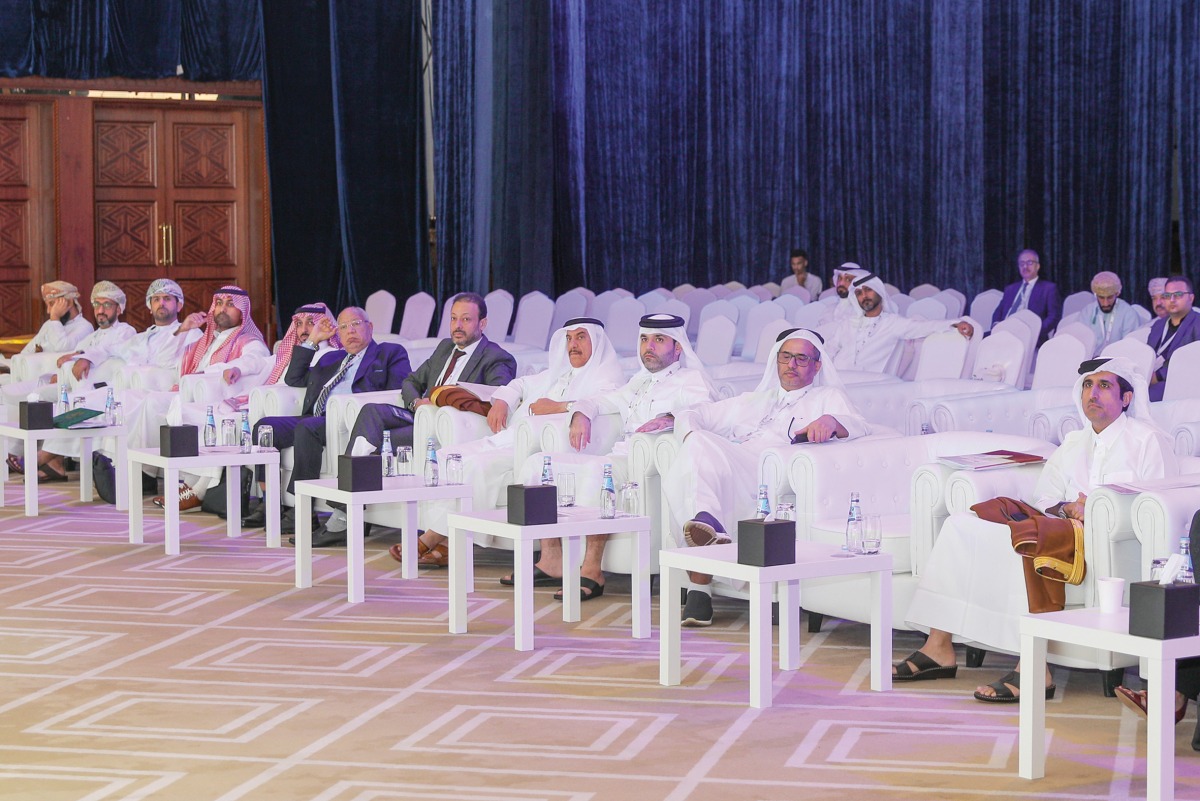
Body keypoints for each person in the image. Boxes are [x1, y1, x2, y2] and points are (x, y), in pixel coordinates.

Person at [898, 356, 1176, 701]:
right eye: (1088, 385)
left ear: (1127, 398)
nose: (1093, 393)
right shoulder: (1075, 441)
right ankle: (938, 644)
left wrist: (1095, 507)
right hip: (1059, 529)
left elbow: (1161, 504)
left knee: (1028, 543)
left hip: (1108, 543)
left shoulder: (1147, 441)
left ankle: (1033, 667)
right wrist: (1066, 507)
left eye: (1105, 386)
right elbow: (1044, 496)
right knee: (960, 524)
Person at [664, 328, 871, 626]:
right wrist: (687, 426)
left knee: (697, 458)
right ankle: (706, 531)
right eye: (786, 357)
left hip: (769, 473)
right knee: (697, 449)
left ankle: (700, 584)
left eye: (801, 358)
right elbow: (696, 413)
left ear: (817, 365)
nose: (792, 364)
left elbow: (862, 426)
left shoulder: (827, 396)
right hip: (734, 462)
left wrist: (832, 421)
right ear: (776, 361)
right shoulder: (753, 399)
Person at [386, 317, 625, 566]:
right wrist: (502, 401)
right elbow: (520, 383)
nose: (573, 344)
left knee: (475, 466)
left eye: (580, 337)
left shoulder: (605, 377)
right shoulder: (560, 373)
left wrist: (560, 407)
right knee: (447, 457)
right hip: (508, 438)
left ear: (596, 342)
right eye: (569, 338)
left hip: (534, 447)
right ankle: (445, 545)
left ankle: (432, 538)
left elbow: (606, 400)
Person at [510, 313, 716, 601]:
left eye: (659, 340)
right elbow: (605, 399)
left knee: (599, 472)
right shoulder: (640, 380)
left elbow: (704, 411)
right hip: (618, 457)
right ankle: (551, 557)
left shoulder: (689, 379)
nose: (649, 346)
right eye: (644, 339)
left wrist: (669, 418)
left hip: (644, 465)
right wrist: (581, 412)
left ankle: (592, 569)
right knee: (539, 464)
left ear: (677, 347)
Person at [158, 302, 341, 512]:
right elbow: (261, 363)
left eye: (311, 323)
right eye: (299, 324)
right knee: (191, 413)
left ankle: (198, 491)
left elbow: (295, 381)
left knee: (226, 423)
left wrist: (313, 341)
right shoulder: (290, 350)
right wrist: (235, 367)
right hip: (257, 403)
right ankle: (190, 483)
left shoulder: (326, 354)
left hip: (279, 408)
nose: (304, 330)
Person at [251, 307, 410, 537]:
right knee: (265, 427)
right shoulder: (331, 357)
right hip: (317, 418)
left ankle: (302, 511)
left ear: (370, 327)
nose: (350, 331)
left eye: (356, 324)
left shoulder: (389, 353)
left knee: (308, 428)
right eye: (343, 327)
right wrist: (313, 340)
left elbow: (397, 392)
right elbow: (294, 377)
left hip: (351, 421)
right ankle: (273, 503)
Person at [345, 292, 517, 452]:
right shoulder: (445, 347)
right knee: (371, 411)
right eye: (453, 318)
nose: (457, 326)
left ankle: (356, 479)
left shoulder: (496, 358)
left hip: (446, 422)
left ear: (482, 323)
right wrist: (416, 403)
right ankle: (345, 478)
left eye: (466, 320)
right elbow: (411, 381)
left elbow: (496, 396)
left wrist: (445, 404)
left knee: (382, 440)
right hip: (421, 414)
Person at [822, 272, 974, 373]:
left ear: (879, 292)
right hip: (838, 379)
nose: (864, 296)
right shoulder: (848, 323)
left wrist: (955, 323)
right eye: (859, 293)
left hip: (868, 385)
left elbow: (923, 327)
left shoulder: (892, 323)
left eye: (868, 290)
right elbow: (830, 349)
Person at [0, 281, 93, 377]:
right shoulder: (50, 324)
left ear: (68, 302)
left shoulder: (84, 327)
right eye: (47, 305)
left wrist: (55, 318)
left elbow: (61, 347)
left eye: (52, 304)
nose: (49, 311)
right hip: (30, 376)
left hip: (55, 381)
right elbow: (25, 353)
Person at [991, 249, 1061, 344]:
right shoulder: (1010, 289)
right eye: (1022, 263)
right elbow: (998, 312)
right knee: (980, 339)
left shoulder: (1048, 288)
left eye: (1029, 262)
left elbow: (1053, 317)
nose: (1025, 266)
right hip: (1005, 332)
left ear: (1038, 266)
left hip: (1031, 336)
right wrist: (996, 326)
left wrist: (1035, 331)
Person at [1147, 275, 1199, 401]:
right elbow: (1148, 353)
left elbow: (1194, 362)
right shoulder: (1158, 325)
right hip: (1149, 378)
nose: (1172, 299)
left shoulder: (1197, 323)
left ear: (1191, 298)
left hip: (1182, 384)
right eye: (1167, 295)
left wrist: (1159, 376)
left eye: (1178, 294)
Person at [1079, 271, 1141, 356]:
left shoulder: (1128, 313)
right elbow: (1080, 342)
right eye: (1101, 298)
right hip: (1090, 361)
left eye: (1110, 297)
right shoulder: (1087, 312)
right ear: (1095, 295)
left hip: (1118, 361)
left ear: (1117, 293)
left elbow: (1130, 346)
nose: (1106, 303)